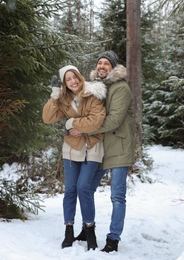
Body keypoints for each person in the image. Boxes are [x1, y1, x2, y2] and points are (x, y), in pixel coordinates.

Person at [69, 51, 135, 253]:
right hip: (100, 148)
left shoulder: (121, 88)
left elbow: (113, 120)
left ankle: (113, 239)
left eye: (106, 63)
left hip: (119, 148)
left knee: (117, 196)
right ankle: (87, 228)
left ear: (114, 67)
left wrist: (84, 128)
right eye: (100, 63)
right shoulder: (98, 88)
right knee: (85, 188)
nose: (102, 66)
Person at [42, 65, 107, 251]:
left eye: (75, 77)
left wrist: (72, 122)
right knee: (70, 190)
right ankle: (68, 230)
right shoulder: (63, 100)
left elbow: (97, 120)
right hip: (71, 149)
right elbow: (47, 117)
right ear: (64, 83)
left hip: (92, 147)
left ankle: (90, 230)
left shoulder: (93, 94)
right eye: (68, 79)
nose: (73, 81)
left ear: (80, 77)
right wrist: (54, 96)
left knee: (83, 188)